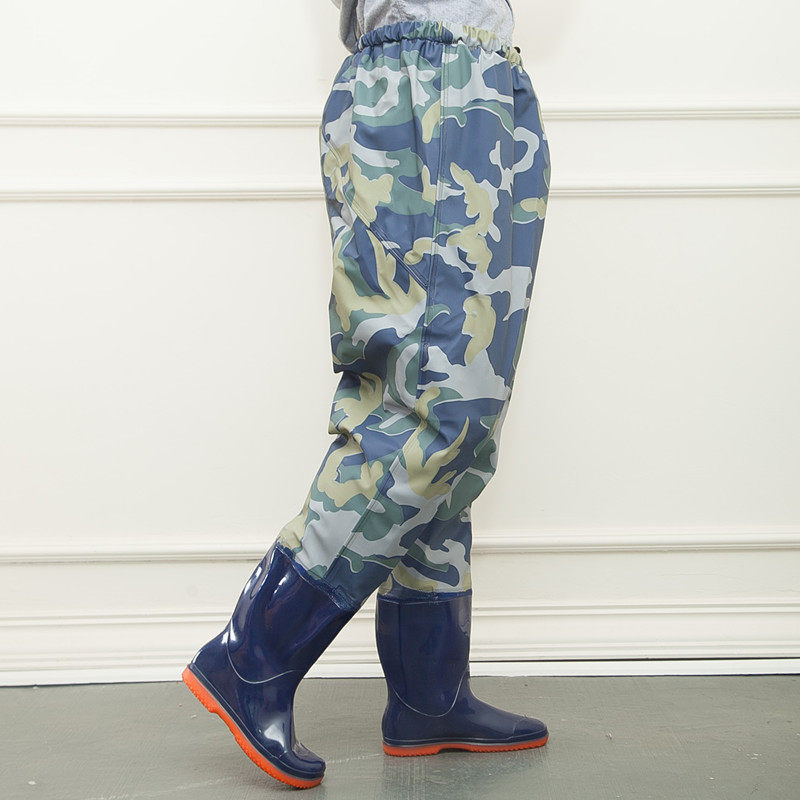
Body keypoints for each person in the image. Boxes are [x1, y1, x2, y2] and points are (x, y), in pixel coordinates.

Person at [182, 0, 551, 789]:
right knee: (443, 407)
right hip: (438, 84)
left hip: (451, 80)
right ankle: (256, 652)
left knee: (432, 402)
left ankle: (428, 695)